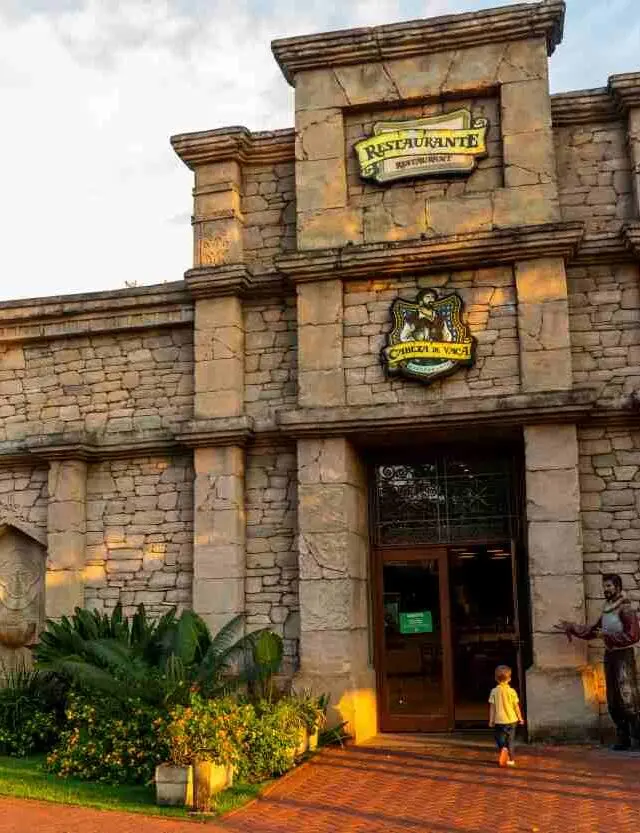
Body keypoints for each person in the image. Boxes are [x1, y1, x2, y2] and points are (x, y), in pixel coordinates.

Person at [555, 573, 640, 750]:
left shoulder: (626, 609)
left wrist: (607, 636)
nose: (605, 589)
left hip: (623, 657)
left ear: (618, 587)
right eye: (604, 586)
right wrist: (572, 627)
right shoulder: (607, 609)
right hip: (610, 656)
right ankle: (623, 738)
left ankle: (637, 738)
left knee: (627, 698)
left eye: (609, 586)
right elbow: (593, 631)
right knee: (613, 699)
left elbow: (633, 636)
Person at [488, 664, 524, 767]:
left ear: (496, 678)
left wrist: (491, 720)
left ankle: (503, 748)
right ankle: (511, 760)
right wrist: (520, 718)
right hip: (512, 720)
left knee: (499, 737)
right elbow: (516, 706)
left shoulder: (494, 691)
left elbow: (492, 707)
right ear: (509, 679)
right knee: (510, 740)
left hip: (499, 720)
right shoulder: (512, 691)